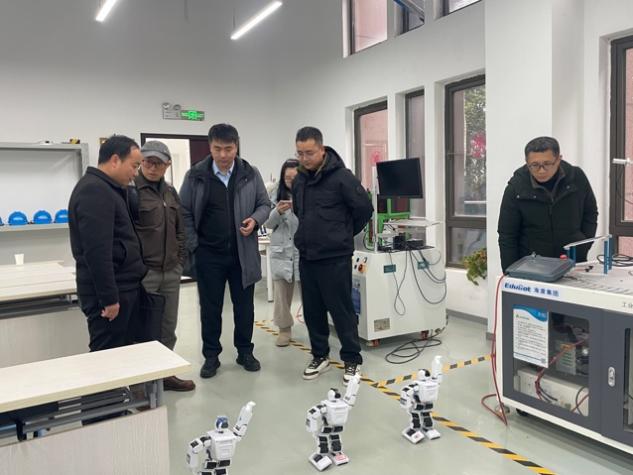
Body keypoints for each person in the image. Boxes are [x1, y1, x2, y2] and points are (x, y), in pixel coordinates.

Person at [180, 124, 271, 379]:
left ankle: (245, 352)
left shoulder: (250, 173)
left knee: (245, 308)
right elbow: (183, 211)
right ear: (210, 147)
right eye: (217, 148)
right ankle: (211, 356)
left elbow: (265, 204)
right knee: (210, 309)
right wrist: (194, 244)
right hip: (208, 255)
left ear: (236, 147)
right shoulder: (195, 176)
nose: (223, 154)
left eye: (228, 149)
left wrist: (255, 220)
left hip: (242, 254)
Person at [292, 126, 373, 384]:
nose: (305, 158)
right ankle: (320, 356)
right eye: (300, 153)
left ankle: (352, 359)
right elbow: (299, 212)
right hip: (308, 256)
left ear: (322, 149)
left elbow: (364, 209)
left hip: (335, 258)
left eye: (309, 153)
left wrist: (342, 234)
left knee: (342, 311)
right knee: (313, 311)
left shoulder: (342, 178)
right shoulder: (299, 180)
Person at [68, 135, 146, 352]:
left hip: (123, 287)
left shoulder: (108, 188)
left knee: (122, 352)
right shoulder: (94, 191)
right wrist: (109, 299)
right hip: (111, 295)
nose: (135, 173)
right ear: (115, 160)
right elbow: (97, 252)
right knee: (107, 356)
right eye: (134, 166)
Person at [131, 140, 195, 392]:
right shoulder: (131, 190)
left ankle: (165, 375)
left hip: (170, 271)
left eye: (158, 163)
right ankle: (140, 386)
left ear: (167, 165)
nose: (152, 167)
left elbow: (180, 229)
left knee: (168, 328)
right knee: (142, 330)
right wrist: (138, 268)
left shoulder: (170, 192)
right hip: (145, 274)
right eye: (148, 161)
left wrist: (179, 260)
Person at [498, 136, 598, 272]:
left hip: (572, 262)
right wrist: (510, 272)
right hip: (532, 267)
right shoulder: (516, 187)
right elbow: (507, 234)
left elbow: (590, 213)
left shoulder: (576, 178)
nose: (541, 170)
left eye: (547, 164)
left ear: (558, 160)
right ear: (527, 163)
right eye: (534, 165)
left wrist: (582, 246)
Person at [264, 158, 301, 347]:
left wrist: (299, 209)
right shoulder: (274, 194)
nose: (291, 182)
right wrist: (277, 212)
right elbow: (268, 224)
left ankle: (316, 329)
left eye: (295, 178)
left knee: (311, 294)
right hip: (281, 251)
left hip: (303, 250)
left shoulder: (309, 192)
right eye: (287, 178)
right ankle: (284, 329)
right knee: (281, 295)